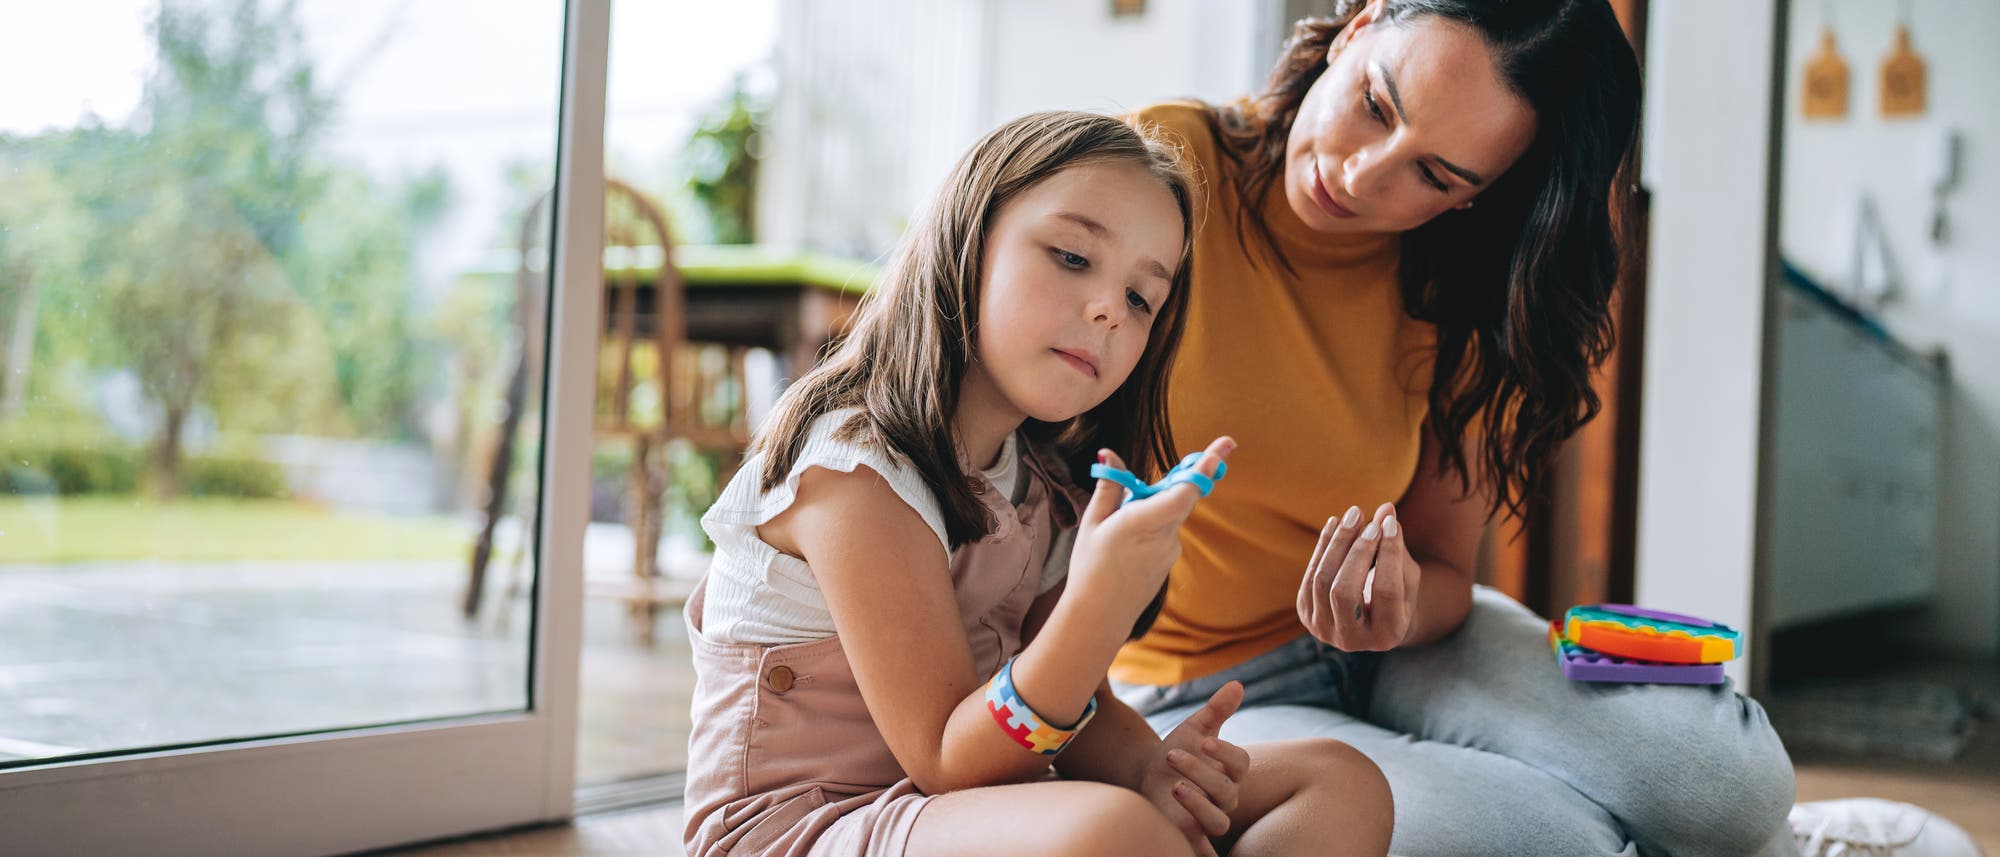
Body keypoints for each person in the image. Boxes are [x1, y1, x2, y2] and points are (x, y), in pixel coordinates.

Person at [1111, 1, 1981, 855]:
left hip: (1404, 649)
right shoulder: (1160, 171)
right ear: (1359, 24)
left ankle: (1776, 839)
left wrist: (1399, 604)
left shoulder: (1465, 287)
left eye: (1437, 175)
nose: (1364, 174)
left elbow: (1446, 568)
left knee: (1728, 785)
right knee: (1554, 840)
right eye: (1378, 103)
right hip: (1203, 690)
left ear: (1477, 196)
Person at [682, 110, 1394, 857]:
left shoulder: (1041, 489)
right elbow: (947, 759)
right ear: (970, 235)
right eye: (1073, 256)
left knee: (1336, 780)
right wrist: (1099, 603)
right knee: (1114, 832)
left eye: (1142, 299)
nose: (1108, 310)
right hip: (804, 829)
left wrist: (1157, 767)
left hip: (966, 810)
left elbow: (1083, 710)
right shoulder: (855, 469)